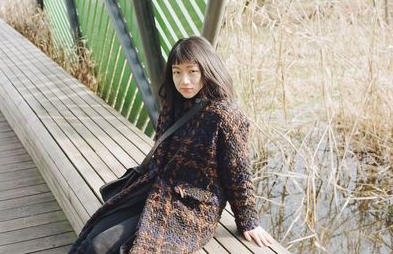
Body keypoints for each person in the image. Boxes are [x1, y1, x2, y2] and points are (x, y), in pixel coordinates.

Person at [68, 36, 274, 254]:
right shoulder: (173, 104)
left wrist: (249, 221)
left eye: (192, 71)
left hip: (191, 207)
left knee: (104, 246)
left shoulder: (225, 117)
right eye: (177, 72)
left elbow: (238, 175)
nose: (184, 80)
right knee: (93, 236)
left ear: (208, 70)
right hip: (153, 187)